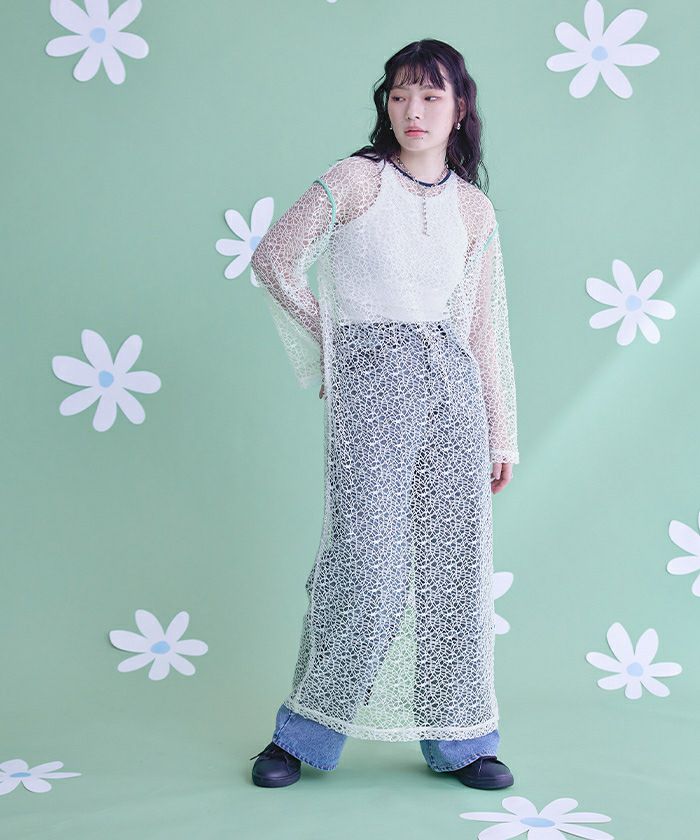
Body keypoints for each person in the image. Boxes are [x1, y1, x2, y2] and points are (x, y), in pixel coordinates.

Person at [248, 38, 519, 789]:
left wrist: (502, 434)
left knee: (453, 568)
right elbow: (273, 259)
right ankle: (303, 733)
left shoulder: (473, 208)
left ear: (459, 109)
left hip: (454, 392)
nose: (412, 110)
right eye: (400, 94)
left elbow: (483, 328)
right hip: (373, 388)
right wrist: (337, 348)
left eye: (430, 95)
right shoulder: (356, 180)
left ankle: (462, 740)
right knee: (363, 562)